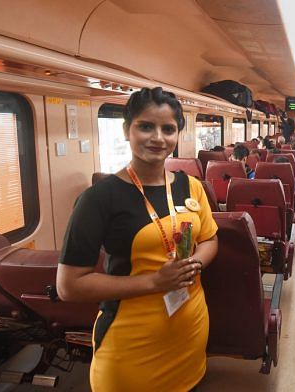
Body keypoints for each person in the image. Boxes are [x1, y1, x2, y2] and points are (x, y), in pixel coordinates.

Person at [56, 87, 218, 391]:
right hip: (131, 344)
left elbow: (210, 239)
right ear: (126, 130)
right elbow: (69, 285)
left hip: (190, 331)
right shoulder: (98, 199)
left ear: (177, 135)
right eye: (146, 126)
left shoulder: (191, 186)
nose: (158, 137)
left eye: (168, 129)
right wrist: (155, 283)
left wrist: (192, 263)